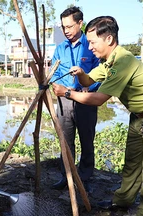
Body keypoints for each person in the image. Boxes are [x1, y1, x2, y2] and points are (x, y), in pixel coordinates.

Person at [52, 16, 143, 216]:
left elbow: (98, 98)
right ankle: (123, 201)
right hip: (138, 116)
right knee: (132, 163)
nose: (89, 47)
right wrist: (81, 74)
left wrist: (68, 93)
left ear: (108, 39)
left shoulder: (123, 61)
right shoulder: (107, 62)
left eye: (92, 43)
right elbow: (89, 81)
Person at [49, 6, 100, 192]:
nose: (66, 31)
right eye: (63, 27)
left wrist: (89, 87)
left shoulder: (92, 45)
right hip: (64, 100)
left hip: (85, 100)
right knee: (65, 140)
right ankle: (67, 176)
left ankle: (85, 177)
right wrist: (56, 86)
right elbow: (53, 73)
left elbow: (99, 74)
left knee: (87, 140)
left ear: (80, 23)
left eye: (70, 26)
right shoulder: (60, 48)